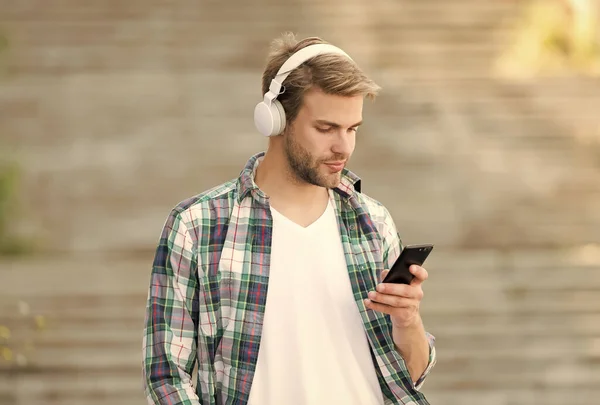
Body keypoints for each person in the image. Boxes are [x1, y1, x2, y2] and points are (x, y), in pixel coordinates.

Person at [143, 33, 436, 405]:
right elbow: (166, 378)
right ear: (275, 120)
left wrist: (408, 320)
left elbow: (409, 379)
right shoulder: (198, 227)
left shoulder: (373, 222)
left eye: (352, 129)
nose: (343, 147)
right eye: (326, 128)